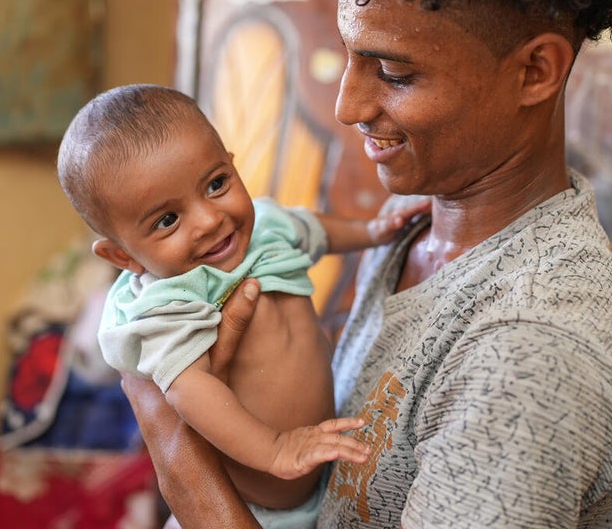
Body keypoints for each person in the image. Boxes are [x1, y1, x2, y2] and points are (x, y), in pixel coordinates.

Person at [124, 0, 612, 528]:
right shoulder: (420, 226)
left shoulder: (530, 351)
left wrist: (174, 444)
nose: (349, 105)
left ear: (536, 70)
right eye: (351, 57)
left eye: (394, 71)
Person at [57, 84, 427, 528]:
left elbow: (317, 231)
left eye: (216, 184)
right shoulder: (168, 301)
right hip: (248, 507)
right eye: (168, 220)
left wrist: (374, 231)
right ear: (125, 257)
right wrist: (275, 449)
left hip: (320, 484)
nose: (211, 219)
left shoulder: (266, 225)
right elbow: (188, 389)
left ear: (232, 163)